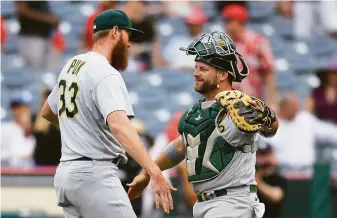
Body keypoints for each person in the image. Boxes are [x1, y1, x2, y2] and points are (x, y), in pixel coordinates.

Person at [127, 31, 279, 218]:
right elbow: (181, 146)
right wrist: (147, 173)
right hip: (204, 204)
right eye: (196, 67)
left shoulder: (238, 105)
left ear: (223, 74)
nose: (196, 73)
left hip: (232, 202)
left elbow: (270, 128)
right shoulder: (195, 111)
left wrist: (266, 117)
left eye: (203, 69)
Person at [40, 9, 176, 218]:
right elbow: (120, 126)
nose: (129, 42)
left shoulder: (72, 65)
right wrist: (154, 171)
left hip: (66, 175)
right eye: (127, 34)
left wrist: (81, 127)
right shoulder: (104, 71)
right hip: (95, 175)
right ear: (115, 32)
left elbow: (48, 112)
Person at [267, 93, 337, 171]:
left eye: (296, 105)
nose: (297, 108)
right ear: (283, 107)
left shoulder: (305, 119)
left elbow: (328, 132)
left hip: (307, 170)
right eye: (292, 106)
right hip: (282, 170)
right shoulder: (272, 124)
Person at [222, 4, 275, 106]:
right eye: (225, 21)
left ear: (240, 21)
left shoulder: (256, 41)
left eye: (229, 21)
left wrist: (271, 100)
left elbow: (269, 71)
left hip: (252, 100)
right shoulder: (223, 44)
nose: (227, 25)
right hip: (228, 101)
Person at [15, 1, 60, 69]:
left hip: (46, 36)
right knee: (33, 70)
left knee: (50, 68)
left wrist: (52, 20)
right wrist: (47, 19)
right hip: (30, 37)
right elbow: (21, 9)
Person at [1, 97, 36, 167]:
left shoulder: (36, 133)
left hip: (30, 174)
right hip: (8, 172)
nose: (17, 111)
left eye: (21, 108)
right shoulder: (4, 128)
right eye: (15, 108)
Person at [256, 141, 286, 218]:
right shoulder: (249, 174)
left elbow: (276, 196)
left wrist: (258, 181)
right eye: (260, 155)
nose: (263, 159)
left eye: (266, 154)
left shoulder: (277, 177)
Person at [306, 58, 337, 124]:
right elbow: (307, 112)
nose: (335, 76)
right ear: (326, 75)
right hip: (320, 128)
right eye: (333, 73)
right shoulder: (316, 92)